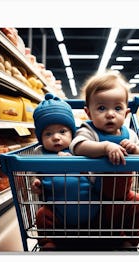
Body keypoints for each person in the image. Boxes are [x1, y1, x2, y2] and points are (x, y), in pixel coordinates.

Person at [69, 71, 139, 247]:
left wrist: (135, 149)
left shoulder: (130, 135)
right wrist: (105, 147)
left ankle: (130, 240)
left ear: (126, 113)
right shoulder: (88, 131)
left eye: (117, 108)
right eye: (102, 108)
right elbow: (78, 146)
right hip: (95, 194)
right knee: (98, 219)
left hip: (123, 194)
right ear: (88, 113)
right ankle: (104, 237)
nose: (110, 114)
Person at [31, 93, 99, 250]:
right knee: (42, 215)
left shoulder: (80, 148)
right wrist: (37, 185)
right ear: (40, 138)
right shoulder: (39, 155)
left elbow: (94, 175)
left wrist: (73, 160)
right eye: (48, 133)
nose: (55, 137)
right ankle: (47, 242)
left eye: (62, 132)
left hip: (92, 209)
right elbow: (38, 178)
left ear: (72, 133)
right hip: (57, 213)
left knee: (110, 213)